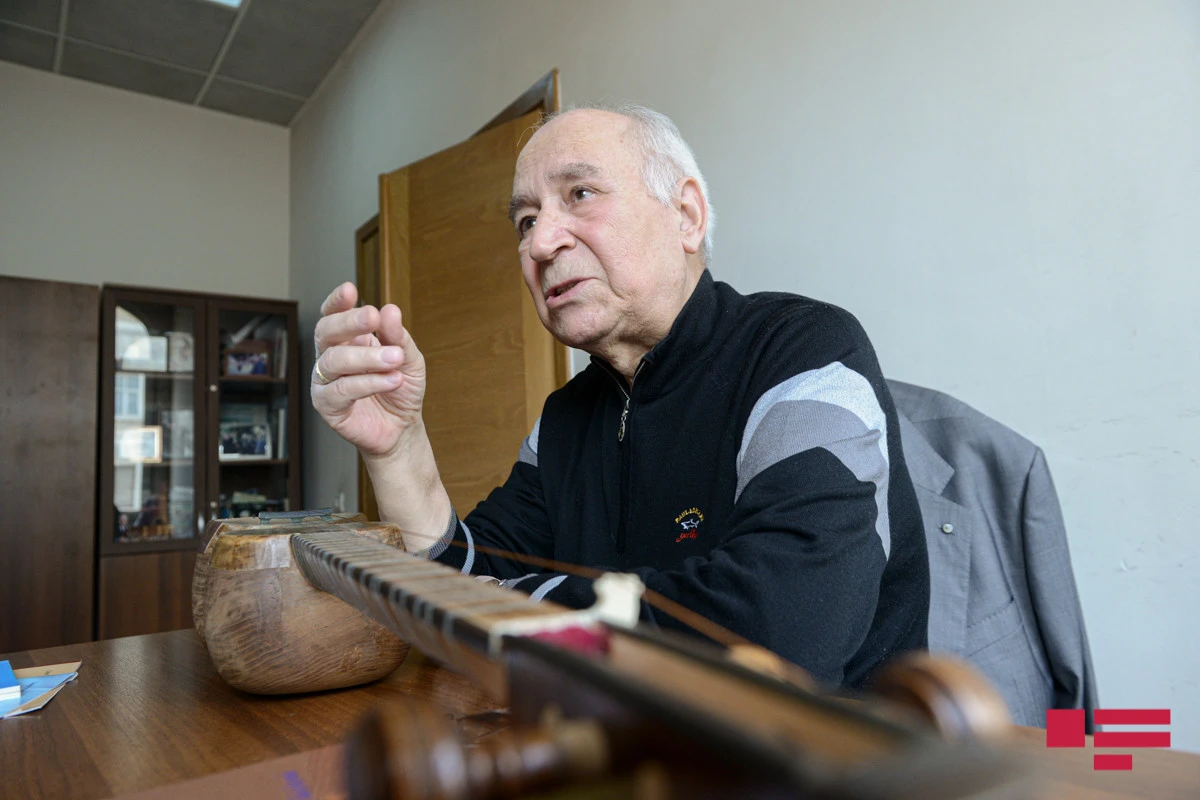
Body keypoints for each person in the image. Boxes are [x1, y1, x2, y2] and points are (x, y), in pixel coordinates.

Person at [312, 105, 929, 687]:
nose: (540, 244)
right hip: (608, 738)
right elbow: (452, 584)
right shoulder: (564, 418)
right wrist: (397, 448)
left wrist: (497, 609)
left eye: (580, 194)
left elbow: (779, 635)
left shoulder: (803, 350)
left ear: (686, 215)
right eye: (526, 221)